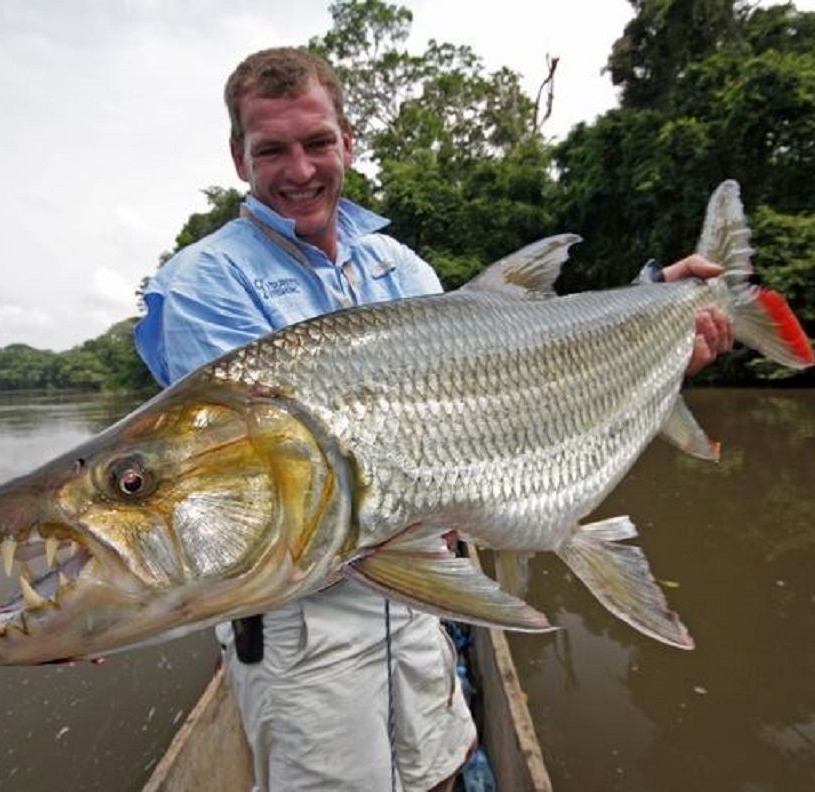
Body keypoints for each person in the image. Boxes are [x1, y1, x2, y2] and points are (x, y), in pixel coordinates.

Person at [134, 47, 732, 792]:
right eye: (272, 150)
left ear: (348, 142)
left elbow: (510, 371)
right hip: (305, 631)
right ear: (238, 157)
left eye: (318, 142)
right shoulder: (202, 284)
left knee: (442, 768)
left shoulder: (400, 267)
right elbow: (251, 495)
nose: (299, 170)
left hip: (420, 597)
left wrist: (653, 318)